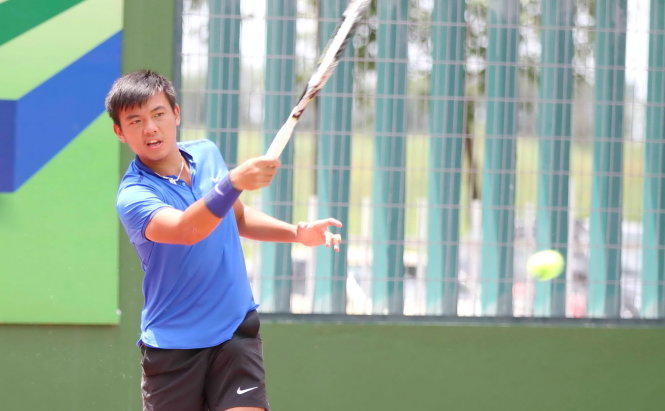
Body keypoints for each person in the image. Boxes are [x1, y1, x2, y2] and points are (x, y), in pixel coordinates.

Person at [105, 69, 342, 411]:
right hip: (174, 348)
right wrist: (232, 182)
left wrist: (296, 233)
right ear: (120, 131)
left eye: (158, 114)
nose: (150, 128)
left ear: (176, 114)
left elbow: (237, 217)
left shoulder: (207, 154)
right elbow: (187, 230)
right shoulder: (134, 195)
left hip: (234, 332)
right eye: (135, 121)